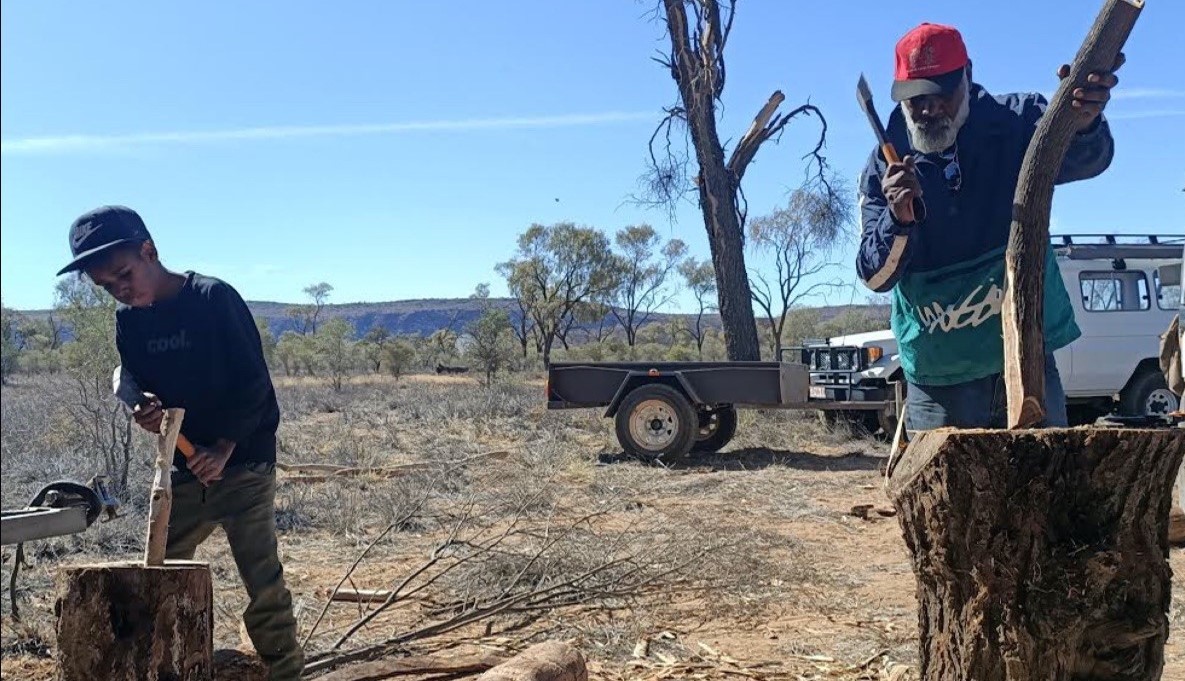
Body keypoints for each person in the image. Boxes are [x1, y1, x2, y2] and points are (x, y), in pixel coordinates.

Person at [57, 205, 303, 680]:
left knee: (263, 583)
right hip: (185, 472)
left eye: (124, 274)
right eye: (107, 286)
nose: (120, 290)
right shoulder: (130, 322)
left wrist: (225, 448)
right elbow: (140, 384)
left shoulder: (213, 299)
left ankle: (287, 672)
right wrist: (145, 409)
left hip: (245, 467)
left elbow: (256, 387)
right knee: (155, 574)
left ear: (149, 251)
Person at [856, 23, 1122, 431]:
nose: (928, 109)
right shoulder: (882, 168)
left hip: (1025, 358)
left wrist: (1082, 123)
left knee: (1046, 488)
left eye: (941, 93)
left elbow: (1089, 160)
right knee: (944, 494)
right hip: (939, 377)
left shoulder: (1018, 121)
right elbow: (875, 276)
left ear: (969, 74)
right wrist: (899, 219)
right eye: (915, 99)